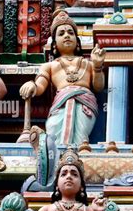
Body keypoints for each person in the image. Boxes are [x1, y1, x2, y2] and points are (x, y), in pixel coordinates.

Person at [19, 9, 105, 146]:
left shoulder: (87, 64)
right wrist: (32, 85)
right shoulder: (50, 66)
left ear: (77, 42)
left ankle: (75, 158)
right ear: (54, 45)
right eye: (61, 33)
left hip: (84, 102)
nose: (67, 35)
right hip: (61, 103)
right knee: (53, 129)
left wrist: (98, 66)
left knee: (81, 134)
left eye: (70, 33)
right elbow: (40, 86)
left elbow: (99, 86)